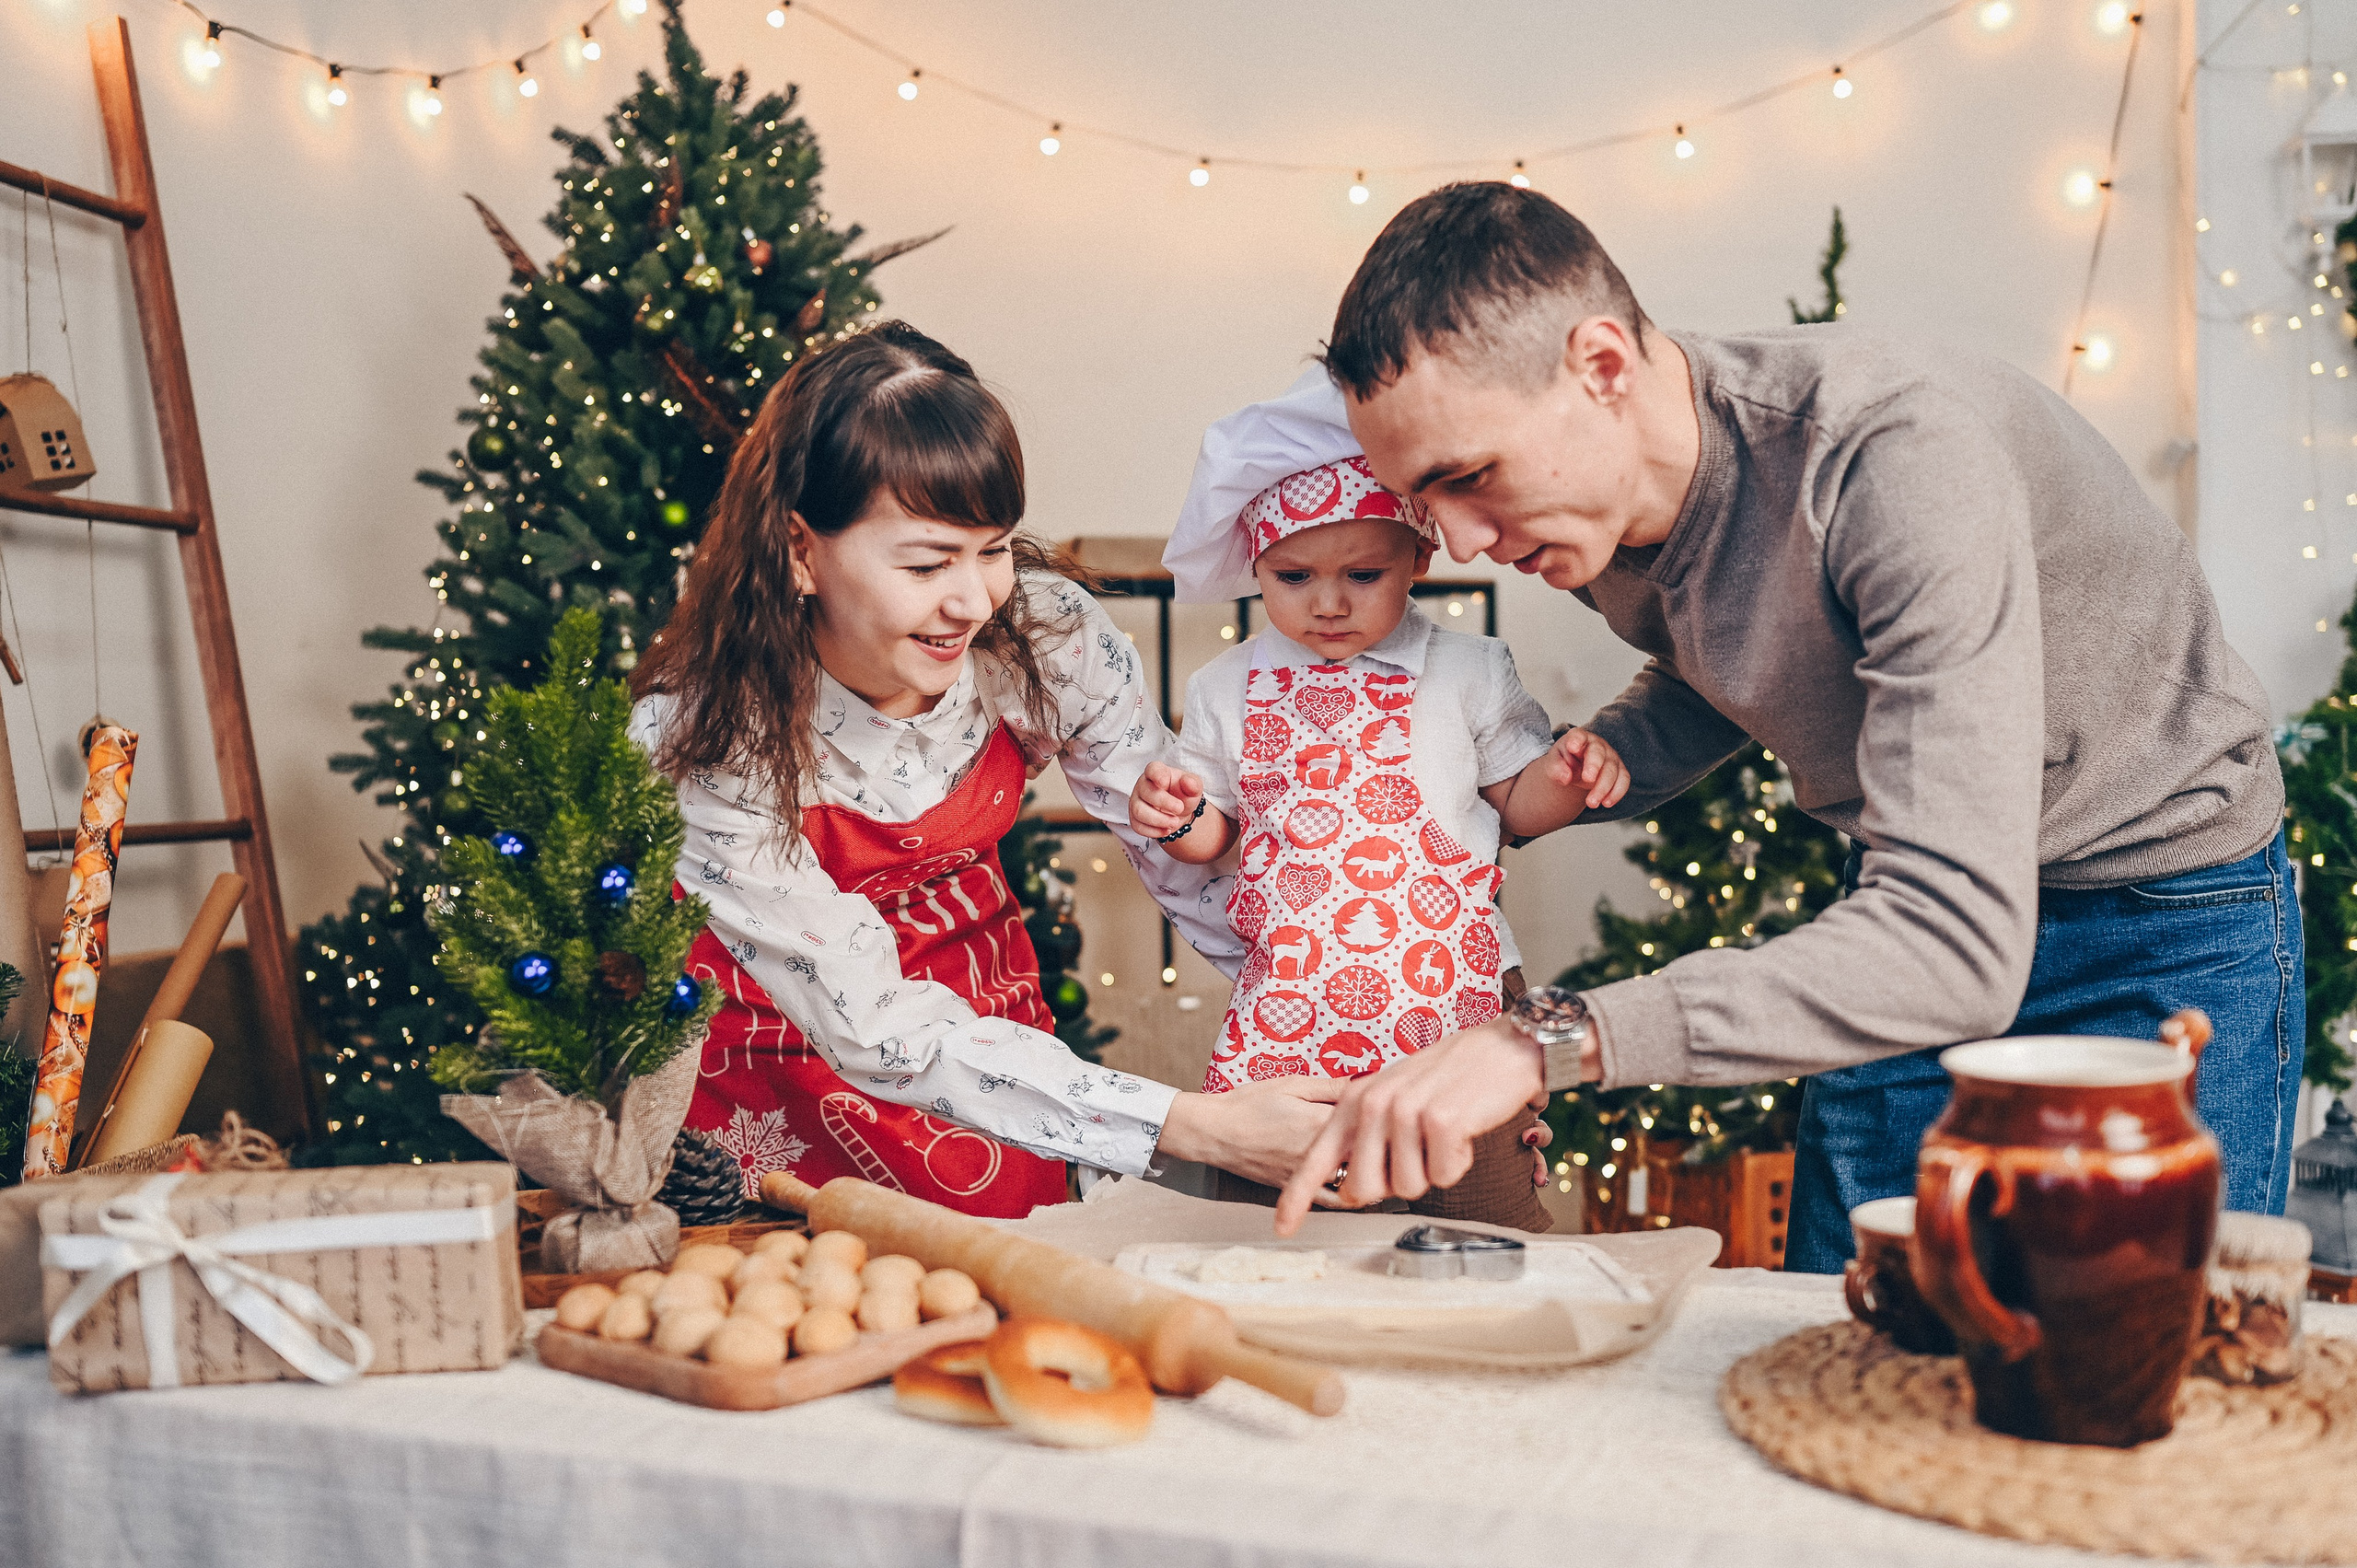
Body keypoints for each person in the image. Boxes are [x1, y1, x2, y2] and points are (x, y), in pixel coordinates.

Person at [1271, 183, 2295, 1268]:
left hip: (2155, 917)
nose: (1464, 539)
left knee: (2137, 1368)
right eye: (1426, 503)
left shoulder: (1892, 461)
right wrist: (1586, 768)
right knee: (1843, 1344)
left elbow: (1955, 944)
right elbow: (1758, 642)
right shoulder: (1589, 514)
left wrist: (1549, 1038)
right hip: (1907, 909)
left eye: (1470, 478)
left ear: (1602, 366)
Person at [630, 320, 1341, 1218]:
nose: (972, 600)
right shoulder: (702, 733)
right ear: (800, 549)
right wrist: (1187, 1126)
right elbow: (872, 1022)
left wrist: (1334, 1006)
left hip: (994, 1056)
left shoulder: (1042, 639)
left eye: (993, 547)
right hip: (783, 1069)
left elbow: (1185, 857)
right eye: (926, 562)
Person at [1126, 374, 1631, 1229]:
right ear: (1255, 565)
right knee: (1284, 1199)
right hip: (1295, 991)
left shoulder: (1469, 670)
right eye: (1293, 576)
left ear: (1419, 558)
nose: (1327, 602)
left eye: (1363, 573)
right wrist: (1177, 815)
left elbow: (1515, 802)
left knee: (1475, 1199)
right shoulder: (1225, 686)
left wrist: (1568, 777)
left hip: (1451, 995)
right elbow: (1214, 839)